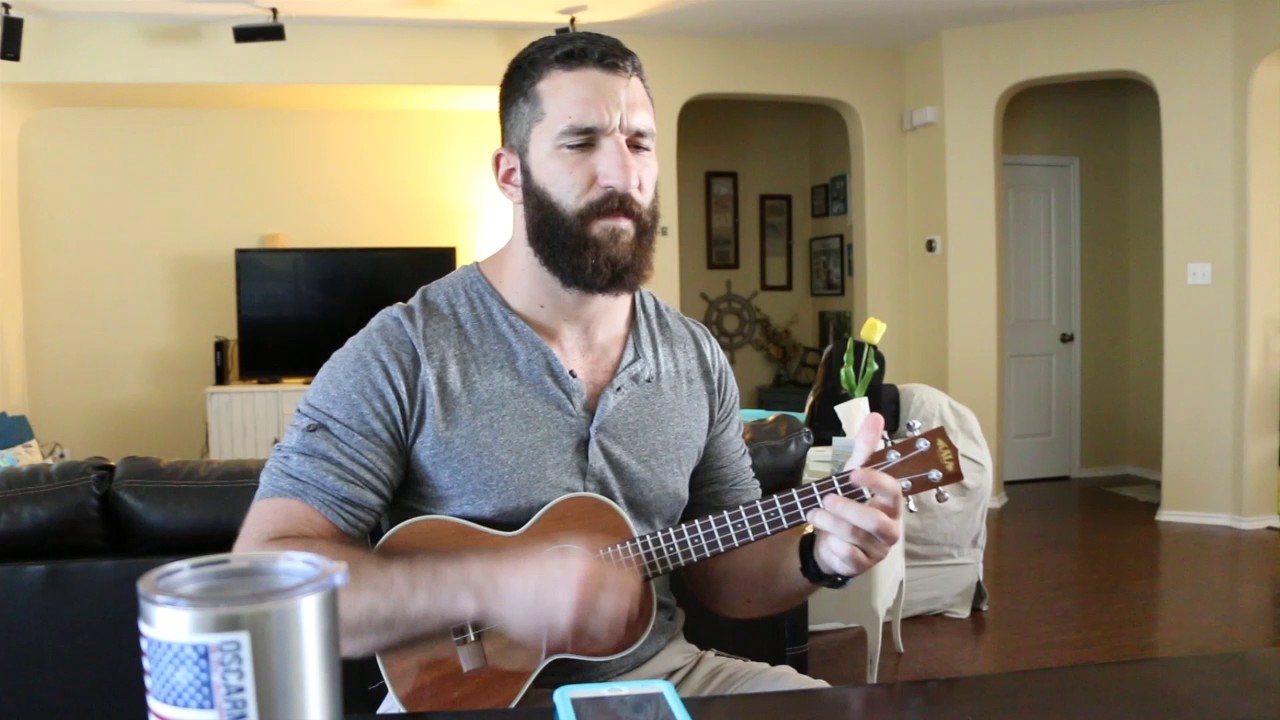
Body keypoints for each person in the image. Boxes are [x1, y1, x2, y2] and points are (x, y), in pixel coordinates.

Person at [232, 30, 903, 711]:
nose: (622, 174)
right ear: (510, 173)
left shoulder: (695, 357)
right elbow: (264, 579)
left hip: (662, 677)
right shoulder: (403, 351)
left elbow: (725, 574)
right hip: (458, 699)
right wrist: (494, 589)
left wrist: (824, 556)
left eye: (639, 143)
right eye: (581, 143)